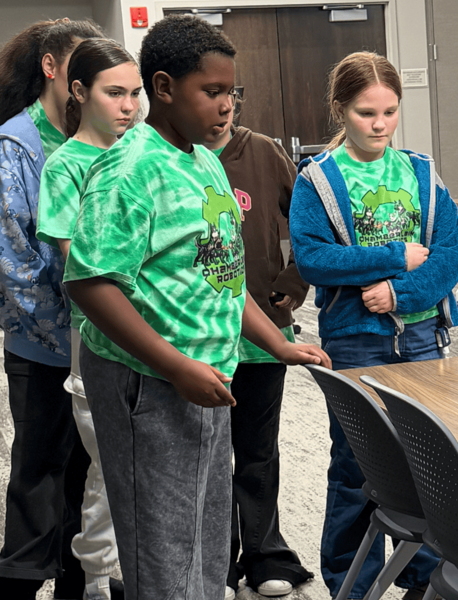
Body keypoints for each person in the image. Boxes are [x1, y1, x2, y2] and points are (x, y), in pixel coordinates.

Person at [62, 15, 330, 600]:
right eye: (211, 91)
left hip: (206, 374)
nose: (226, 105)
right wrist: (176, 366)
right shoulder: (128, 170)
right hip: (148, 380)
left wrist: (277, 343)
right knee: (163, 552)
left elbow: (223, 275)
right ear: (163, 87)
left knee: (206, 544)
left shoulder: (204, 161)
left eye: (231, 91)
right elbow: (90, 283)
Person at [289, 51, 458, 599]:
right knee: (357, 465)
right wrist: (392, 257)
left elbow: (450, 253)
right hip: (355, 340)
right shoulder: (318, 180)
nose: (380, 125)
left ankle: (424, 581)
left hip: (423, 338)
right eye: (366, 113)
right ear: (340, 109)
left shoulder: (421, 172)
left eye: (390, 112)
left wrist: (398, 293)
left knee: (427, 463)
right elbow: (312, 258)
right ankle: (354, 586)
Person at [34, 37, 141, 600]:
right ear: (78, 91)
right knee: (109, 464)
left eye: (135, 94)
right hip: (96, 334)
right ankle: (97, 579)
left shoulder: (142, 153)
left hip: (158, 331)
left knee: (144, 463)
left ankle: (127, 572)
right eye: (115, 93)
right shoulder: (66, 166)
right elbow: (79, 261)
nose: (129, 106)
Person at [0, 18, 104, 599]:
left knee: (89, 479)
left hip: (103, 339)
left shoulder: (102, 139)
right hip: (43, 342)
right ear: (51, 67)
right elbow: (14, 264)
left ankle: (77, 582)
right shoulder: (17, 144)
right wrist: (71, 325)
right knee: (39, 474)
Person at [203, 100, 314, 600]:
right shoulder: (172, 158)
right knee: (208, 457)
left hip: (265, 334)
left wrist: (293, 281)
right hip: (198, 339)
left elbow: (311, 223)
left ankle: (265, 553)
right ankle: (217, 563)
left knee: (258, 450)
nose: (222, 106)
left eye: (228, 94)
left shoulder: (265, 153)